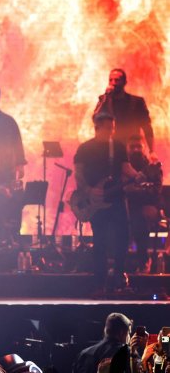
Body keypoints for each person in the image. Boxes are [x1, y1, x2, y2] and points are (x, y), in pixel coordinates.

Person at [73, 112, 144, 291]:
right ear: (97, 127)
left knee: (123, 238)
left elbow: (125, 168)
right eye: (107, 127)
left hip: (116, 198)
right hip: (96, 202)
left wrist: (139, 176)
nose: (111, 131)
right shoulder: (85, 148)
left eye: (112, 127)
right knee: (100, 241)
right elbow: (79, 174)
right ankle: (100, 282)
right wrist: (89, 191)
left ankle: (118, 278)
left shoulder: (117, 147)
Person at [93, 68, 156, 160]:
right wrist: (105, 99)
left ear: (124, 82)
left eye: (117, 80)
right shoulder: (105, 100)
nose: (113, 82)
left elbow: (147, 126)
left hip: (132, 148)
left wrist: (152, 151)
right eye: (111, 80)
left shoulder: (136, 102)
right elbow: (96, 119)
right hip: (110, 149)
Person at [125, 135, 163, 273]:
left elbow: (156, 190)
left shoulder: (153, 168)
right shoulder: (122, 168)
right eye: (132, 147)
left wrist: (135, 190)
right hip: (126, 206)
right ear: (127, 149)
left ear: (145, 148)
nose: (136, 150)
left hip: (146, 205)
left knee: (139, 218)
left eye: (139, 147)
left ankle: (142, 261)